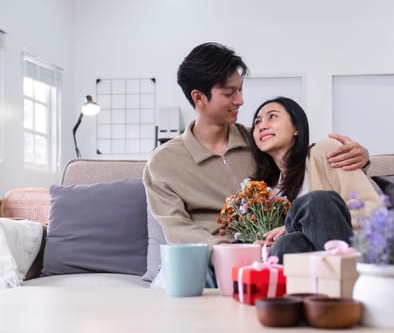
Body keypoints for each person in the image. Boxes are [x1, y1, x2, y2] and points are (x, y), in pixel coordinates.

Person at [143, 42, 370, 264]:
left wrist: (361, 158)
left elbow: (305, 164)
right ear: (199, 97)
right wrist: (231, 253)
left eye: (240, 90)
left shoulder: (261, 142)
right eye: (229, 93)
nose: (240, 101)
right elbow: (176, 228)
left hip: (280, 248)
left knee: (301, 227)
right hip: (215, 261)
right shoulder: (163, 163)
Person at [249, 96, 380, 261]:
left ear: (296, 127)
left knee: (317, 201)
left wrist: (307, 221)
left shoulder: (326, 151)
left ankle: (348, 277)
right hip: (312, 265)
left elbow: (372, 209)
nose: (262, 126)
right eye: (257, 122)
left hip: (357, 250)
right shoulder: (269, 193)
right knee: (287, 244)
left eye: (272, 116)